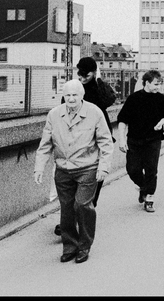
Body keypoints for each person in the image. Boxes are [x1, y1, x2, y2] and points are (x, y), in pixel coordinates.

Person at [34, 79, 113, 264]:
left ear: (82, 95)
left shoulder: (94, 113)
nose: (70, 99)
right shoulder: (54, 114)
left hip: (87, 168)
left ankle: (84, 246)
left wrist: (103, 167)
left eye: (74, 95)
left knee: (82, 205)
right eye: (67, 95)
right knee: (67, 209)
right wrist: (39, 167)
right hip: (63, 169)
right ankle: (69, 246)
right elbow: (45, 144)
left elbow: (105, 142)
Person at [53, 57, 117, 237]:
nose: (81, 78)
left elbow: (110, 99)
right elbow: (63, 109)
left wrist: (98, 80)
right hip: (78, 140)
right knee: (73, 185)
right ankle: (73, 219)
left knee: (94, 180)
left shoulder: (98, 89)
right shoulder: (74, 90)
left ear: (94, 72)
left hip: (98, 137)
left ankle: (84, 213)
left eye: (86, 74)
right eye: (79, 74)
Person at [116, 70, 164, 213]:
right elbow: (122, 120)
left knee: (151, 169)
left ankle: (149, 198)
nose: (158, 87)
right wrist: (121, 140)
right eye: (156, 84)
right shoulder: (134, 99)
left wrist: (161, 122)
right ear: (147, 83)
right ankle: (143, 188)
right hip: (134, 140)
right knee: (132, 169)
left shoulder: (161, 99)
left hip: (154, 139)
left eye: (160, 84)